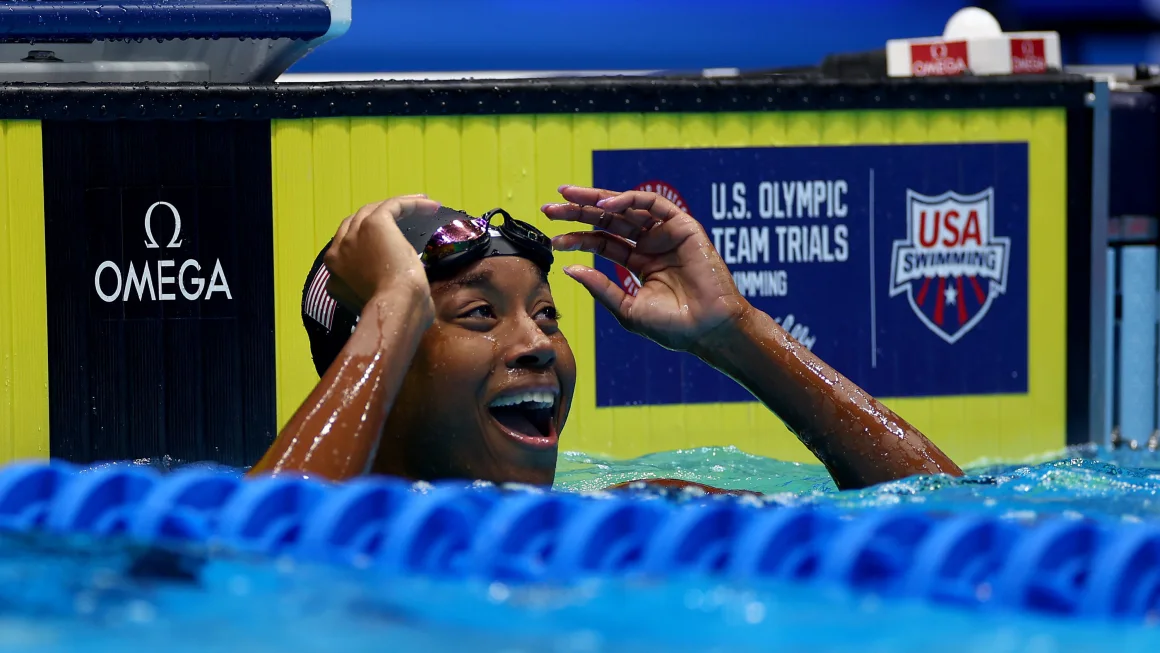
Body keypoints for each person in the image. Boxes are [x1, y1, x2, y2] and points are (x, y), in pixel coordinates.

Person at [249, 186, 963, 492]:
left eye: (547, 314)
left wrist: (737, 334)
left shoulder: (626, 514)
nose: (538, 345)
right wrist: (397, 296)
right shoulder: (326, 545)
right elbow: (247, 558)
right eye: (479, 314)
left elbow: (940, 517)